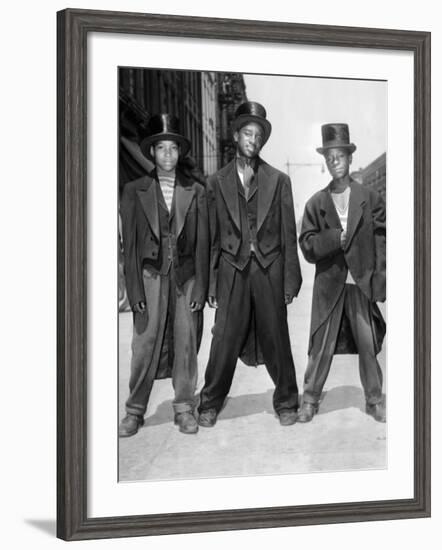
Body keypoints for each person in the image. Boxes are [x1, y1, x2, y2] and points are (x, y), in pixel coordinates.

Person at [198, 101, 302, 428]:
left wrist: (290, 281)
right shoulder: (215, 183)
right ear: (235, 135)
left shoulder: (279, 180)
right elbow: (212, 237)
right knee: (224, 337)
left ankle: (287, 400)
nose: (253, 139)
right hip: (232, 268)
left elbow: (288, 233)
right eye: (247, 133)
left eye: (258, 135)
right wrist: (212, 284)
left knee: (276, 335)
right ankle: (210, 402)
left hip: (269, 267)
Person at [119, 114, 209, 436]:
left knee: (186, 343)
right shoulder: (134, 191)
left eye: (173, 148)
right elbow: (128, 247)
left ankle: (184, 407)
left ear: (179, 153)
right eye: (162, 148)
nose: (168, 155)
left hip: (186, 278)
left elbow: (203, 243)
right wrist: (134, 291)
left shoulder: (195, 191)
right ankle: (134, 410)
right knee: (144, 343)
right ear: (152, 152)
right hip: (150, 277)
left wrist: (201, 288)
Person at [298, 123, 386, 423]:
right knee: (320, 345)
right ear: (326, 162)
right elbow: (307, 245)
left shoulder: (370, 198)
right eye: (330, 156)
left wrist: (380, 277)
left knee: (367, 343)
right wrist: (334, 238)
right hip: (330, 284)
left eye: (340, 155)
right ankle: (309, 399)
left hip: (359, 282)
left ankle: (374, 400)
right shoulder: (316, 203)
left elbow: (381, 239)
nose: (335, 161)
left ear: (349, 158)